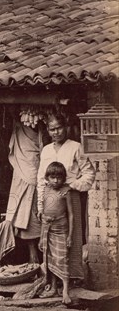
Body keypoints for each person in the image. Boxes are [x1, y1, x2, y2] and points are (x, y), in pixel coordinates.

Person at [37, 112, 95, 282]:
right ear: (48, 130)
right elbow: (41, 179)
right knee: (50, 241)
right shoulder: (46, 150)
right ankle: (52, 281)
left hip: (69, 198)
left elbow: (89, 174)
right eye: (52, 129)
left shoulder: (76, 147)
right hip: (49, 200)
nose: (56, 132)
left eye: (59, 128)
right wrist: (40, 206)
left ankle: (71, 280)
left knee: (71, 239)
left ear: (66, 127)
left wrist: (71, 185)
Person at [6, 122, 42, 263]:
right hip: (22, 176)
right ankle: (33, 257)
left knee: (38, 214)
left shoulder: (42, 131)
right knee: (25, 215)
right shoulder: (20, 128)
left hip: (37, 177)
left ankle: (41, 260)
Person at [39, 162, 74, 304]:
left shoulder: (66, 191)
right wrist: (42, 234)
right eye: (52, 177)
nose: (55, 180)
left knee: (62, 258)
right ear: (47, 178)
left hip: (61, 228)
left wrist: (70, 235)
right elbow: (42, 211)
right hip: (47, 228)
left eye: (59, 177)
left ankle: (65, 290)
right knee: (50, 258)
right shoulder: (45, 190)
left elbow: (71, 214)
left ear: (64, 178)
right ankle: (53, 287)